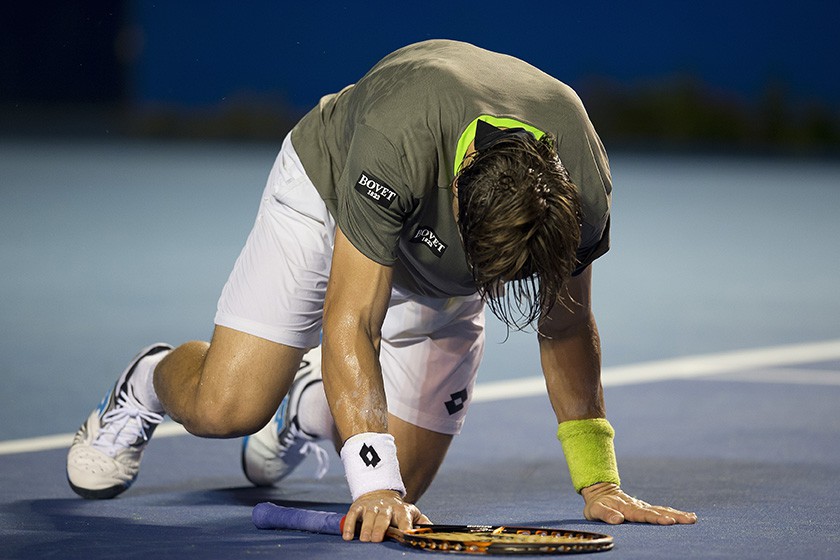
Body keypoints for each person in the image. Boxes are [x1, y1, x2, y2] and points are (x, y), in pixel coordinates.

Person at [66, 39, 697, 542]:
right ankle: (147, 380)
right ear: (454, 204)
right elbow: (351, 322)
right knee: (230, 409)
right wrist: (371, 484)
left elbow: (564, 325)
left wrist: (598, 483)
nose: (499, 291)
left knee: (406, 485)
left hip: (444, 251)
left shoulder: (580, 185)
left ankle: (315, 401)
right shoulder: (396, 141)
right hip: (327, 197)